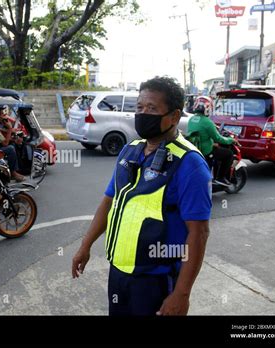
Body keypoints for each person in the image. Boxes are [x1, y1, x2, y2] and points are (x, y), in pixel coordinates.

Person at [72, 76, 212, 316]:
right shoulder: (130, 150)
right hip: (118, 273)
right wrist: (85, 245)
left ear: (175, 116)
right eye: (139, 107)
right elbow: (109, 201)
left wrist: (181, 294)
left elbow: (198, 233)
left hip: (156, 282)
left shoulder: (190, 164)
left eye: (152, 108)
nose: (143, 113)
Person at [187, 96, 238, 186]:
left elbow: (202, 135)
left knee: (217, 148)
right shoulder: (207, 122)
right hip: (206, 151)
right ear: (208, 108)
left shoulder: (191, 119)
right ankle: (221, 178)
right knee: (228, 154)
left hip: (197, 148)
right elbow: (218, 138)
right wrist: (231, 140)